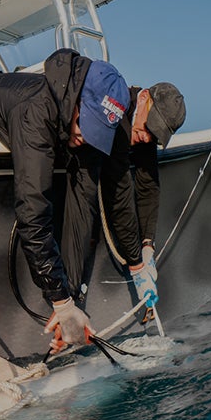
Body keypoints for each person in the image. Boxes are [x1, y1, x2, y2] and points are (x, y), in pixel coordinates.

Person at [0, 48, 157, 353]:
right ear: (76, 101)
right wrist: (60, 302)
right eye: (85, 126)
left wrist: (71, 298)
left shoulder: (85, 128)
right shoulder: (36, 111)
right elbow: (33, 214)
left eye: (97, 132)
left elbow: (82, 211)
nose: (85, 137)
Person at [61, 82, 187, 312]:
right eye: (151, 127)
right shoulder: (117, 115)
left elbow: (148, 185)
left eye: (156, 134)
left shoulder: (143, 131)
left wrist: (148, 244)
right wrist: (137, 266)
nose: (148, 138)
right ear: (143, 98)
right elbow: (120, 199)